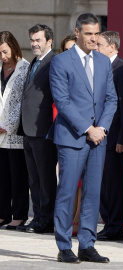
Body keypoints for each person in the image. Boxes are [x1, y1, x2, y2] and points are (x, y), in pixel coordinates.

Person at [49, 13, 117, 263]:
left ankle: (87, 244)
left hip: (99, 138)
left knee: (92, 193)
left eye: (96, 33)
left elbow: (111, 99)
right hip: (72, 138)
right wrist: (88, 128)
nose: (92, 38)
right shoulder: (61, 62)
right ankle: (64, 245)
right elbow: (63, 102)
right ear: (77, 32)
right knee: (67, 192)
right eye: (88, 33)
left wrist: (102, 128)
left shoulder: (103, 61)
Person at [17, 24, 57, 234]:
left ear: (49, 41)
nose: (34, 44)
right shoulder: (35, 61)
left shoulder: (54, 62)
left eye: (38, 40)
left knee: (46, 176)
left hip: (44, 129)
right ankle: (39, 216)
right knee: (34, 177)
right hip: (28, 127)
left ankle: (47, 219)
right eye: (32, 40)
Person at [96, 31, 123, 241]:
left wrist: (122, 138)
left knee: (114, 185)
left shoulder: (122, 69)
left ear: (112, 46)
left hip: (115, 139)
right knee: (102, 184)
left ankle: (117, 225)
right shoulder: (101, 67)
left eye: (100, 44)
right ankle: (108, 223)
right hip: (100, 137)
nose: (96, 48)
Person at [0, 31, 29, 230]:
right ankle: (2, 214)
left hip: (16, 131)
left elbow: (22, 102)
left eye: (5, 52)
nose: (3, 56)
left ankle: (18, 215)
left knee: (18, 175)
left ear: (13, 47)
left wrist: (8, 125)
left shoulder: (24, 68)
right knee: (1, 176)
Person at [57, 33, 81, 237]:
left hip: (85, 133)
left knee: (83, 185)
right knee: (66, 183)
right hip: (64, 131)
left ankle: (78, 221)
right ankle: (65, 226)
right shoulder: (59, 68)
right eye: (65, 50)